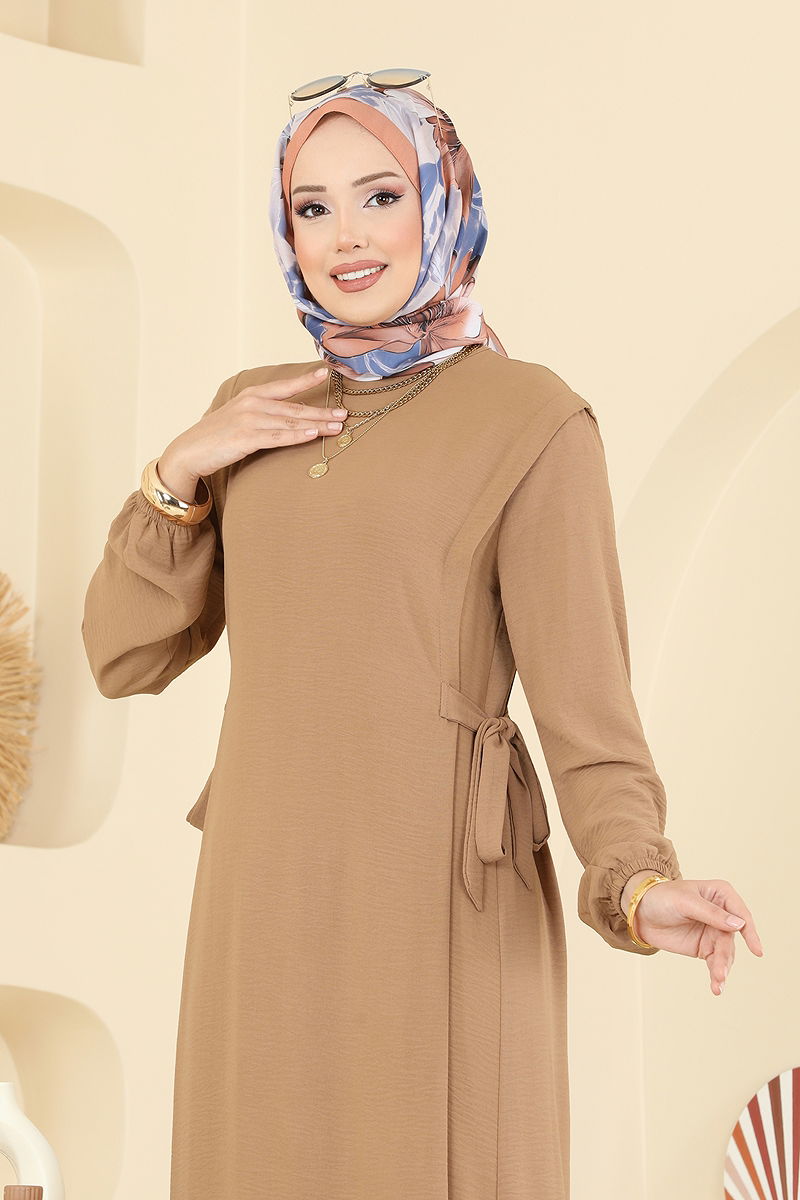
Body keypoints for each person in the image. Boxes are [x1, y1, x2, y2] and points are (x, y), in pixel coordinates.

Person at [81, 76, 764, 1200]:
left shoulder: (531, 419)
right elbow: (121, 654)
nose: (345, 236)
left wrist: (637, 882)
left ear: (443, 201)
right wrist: (181, 466)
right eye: (311, 208)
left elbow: (586, 708)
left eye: (380, 195)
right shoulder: (251, 409)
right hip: (262, 888)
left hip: (432, 891)